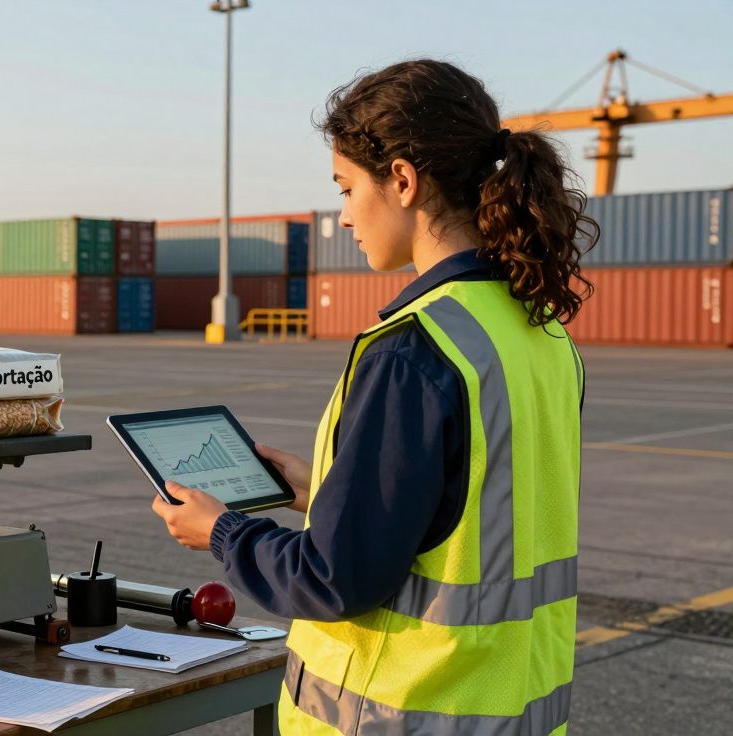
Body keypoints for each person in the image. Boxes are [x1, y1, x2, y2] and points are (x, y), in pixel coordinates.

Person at [152, 59, 597, 735]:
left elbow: (332, 579)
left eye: (346, 187)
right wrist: (326, 490)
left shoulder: (415, 350)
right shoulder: (540, 333)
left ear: (402, 181)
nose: (343, 215)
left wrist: (222, 532)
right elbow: (482, 511)